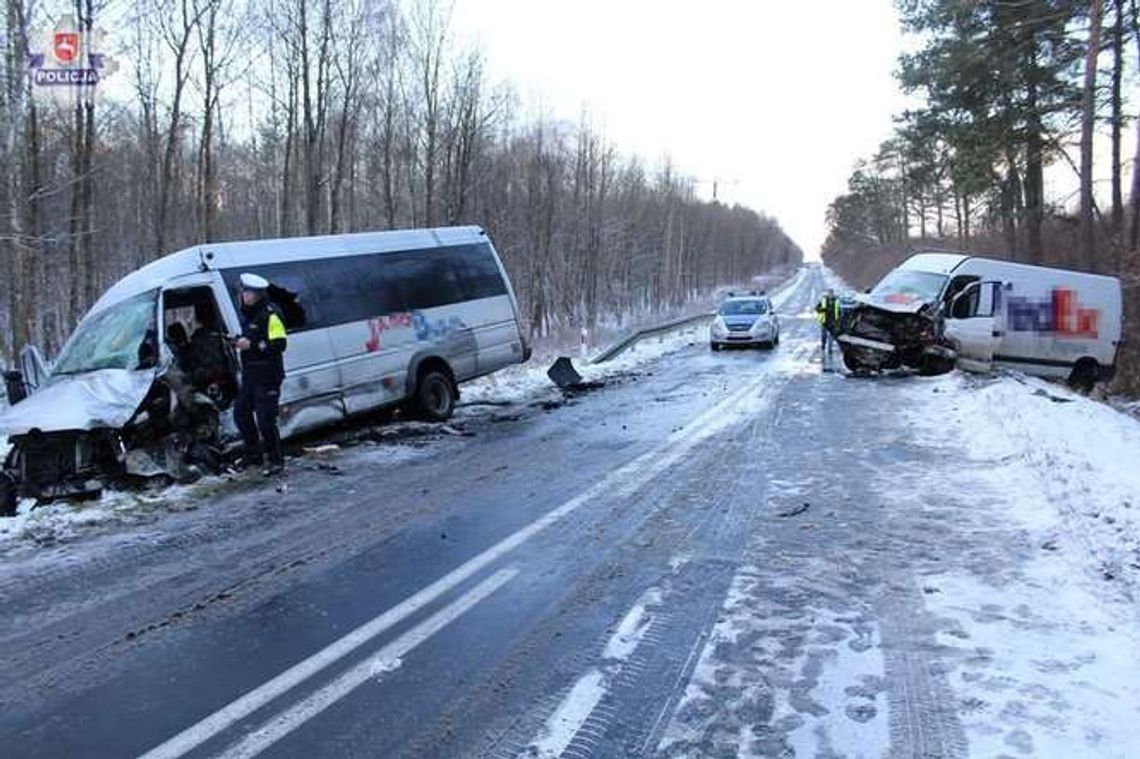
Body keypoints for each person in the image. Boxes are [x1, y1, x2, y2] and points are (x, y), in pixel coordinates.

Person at [233, 273, 288, 476]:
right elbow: (252, 337)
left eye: (246, 292)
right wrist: (238, 341)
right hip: (251, 376)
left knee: (266, 421)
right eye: (243, 292)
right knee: (241, 413)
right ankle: (254, 455)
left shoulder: (270, 315)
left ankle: (275, 461)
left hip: (268, 376)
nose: (243, 295)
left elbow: (280, 344)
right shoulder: (250, 315)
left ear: (256, 294)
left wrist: (252, 345)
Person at [815, 288, 840, 356]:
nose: (830, 295)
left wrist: (838, 320)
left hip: (833, 321)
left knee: (831, 336)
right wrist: (823, 309)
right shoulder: (823, 301)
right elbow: (817, 309)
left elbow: (839, 311)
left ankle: (830, 349)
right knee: (824, 335)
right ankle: (823, 345)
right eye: (829, 293)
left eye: (831, 293)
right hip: (824, 321)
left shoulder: (837, 301)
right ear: (827, 294)